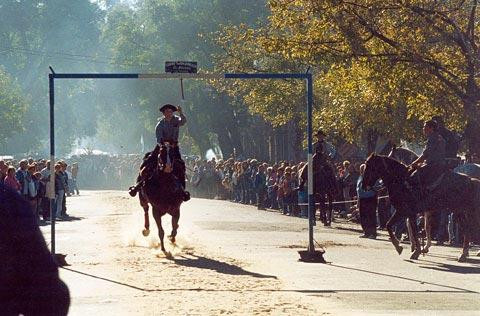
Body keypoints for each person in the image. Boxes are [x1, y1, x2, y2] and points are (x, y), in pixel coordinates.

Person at [129, 103, 190, 201]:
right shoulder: (160, 125)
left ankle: (183, 190)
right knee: (149, 162)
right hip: (162, 147)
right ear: (163, 113)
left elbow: (184, 121)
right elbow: (159, 139)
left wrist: (181, 112)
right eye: (167, 112)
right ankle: (138, 185)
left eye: (170, 111)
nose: (169, 113)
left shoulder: (176, 120)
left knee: (180, 165)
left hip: (174, 147)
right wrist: (164, 145)